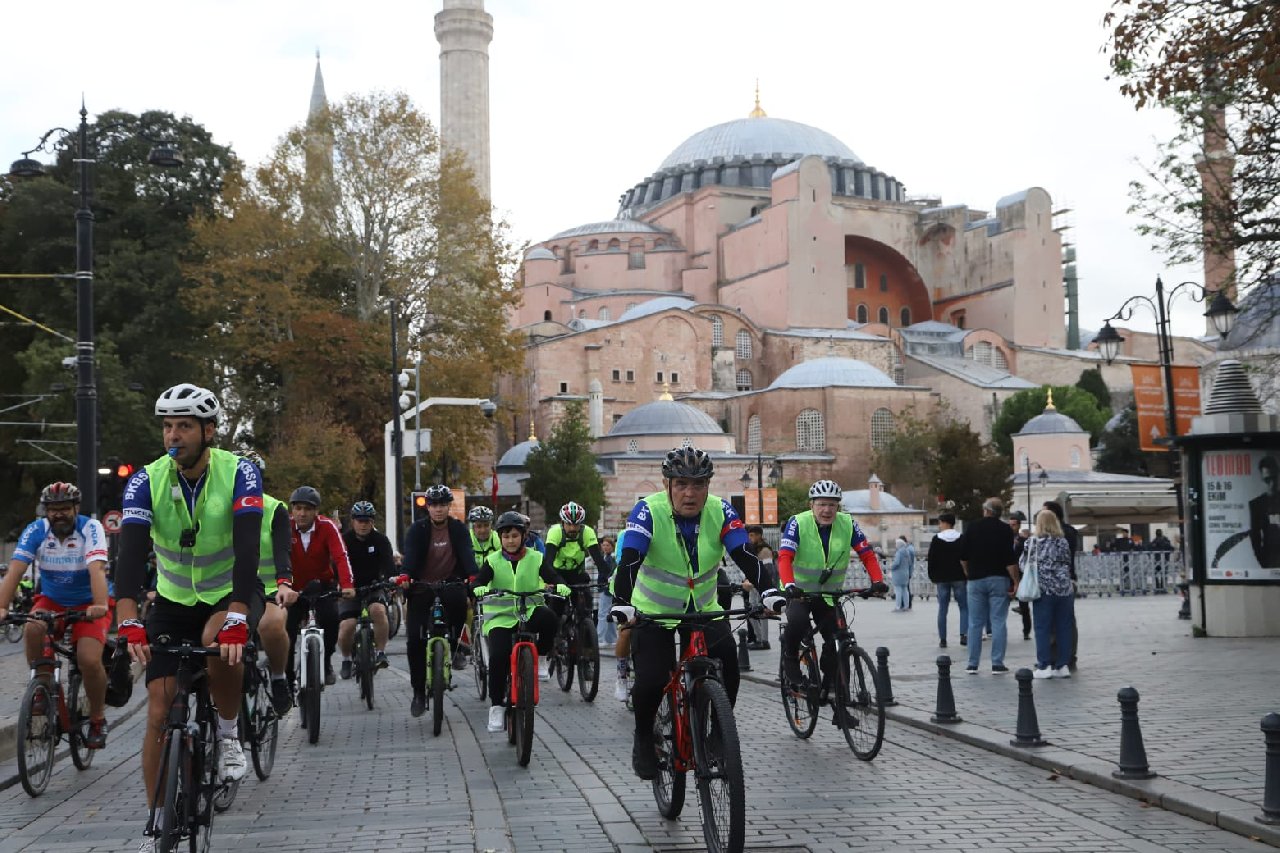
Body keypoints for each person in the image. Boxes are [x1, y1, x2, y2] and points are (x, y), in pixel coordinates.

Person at [113, 384, 264, 852]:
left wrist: (239, 611)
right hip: (175, 600)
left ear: (208, 431)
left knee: (221, 640)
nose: (172, 435)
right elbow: (131, 553)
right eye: (167, 425)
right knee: (159, 707)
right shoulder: (146, 480)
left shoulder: (241, 472)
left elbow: (245, 549)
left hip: (230, 592)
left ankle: (229, 732)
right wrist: (128, 616)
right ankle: (157, 820)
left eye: (183, 425)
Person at [610, 446, 766, 780]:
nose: (689, 493)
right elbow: (630, 559)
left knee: (728, 662)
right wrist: (622, 601)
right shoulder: (647, 511)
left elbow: (744, 554)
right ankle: (643, 739)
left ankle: (718, 733)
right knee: (651, 680)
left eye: (698, 485)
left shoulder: (720, 510)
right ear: (667, 484)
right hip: (654, 612)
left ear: (709, 486)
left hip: (704, 609)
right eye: (681, 484)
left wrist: (770, 591)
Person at [0, 482, 112, 748]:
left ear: (76, 508)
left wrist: (99, 604)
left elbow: (97, 570)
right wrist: (2, 607)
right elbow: (15, 571)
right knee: (33, 627)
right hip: (52, 599)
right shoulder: (36, 530)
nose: (58, 514)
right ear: (45, 511)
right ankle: (42, 684)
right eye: (52, 509)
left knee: (87, 659)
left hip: (88, 602)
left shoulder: (90, 528)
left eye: (64, 508)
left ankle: (97, 718)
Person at [772, 479, 887, 691]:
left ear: (838, 507)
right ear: (811, 505)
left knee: (839, 639)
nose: (827, 510)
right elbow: (785, 557)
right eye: (821, 504)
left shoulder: (847, 523)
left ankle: (837, 700)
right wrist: (789, 585)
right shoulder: (798, 522)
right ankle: (789, 655)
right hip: (799, 592)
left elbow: (867, 554)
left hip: (828, 594)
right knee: (797, 622)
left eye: (832, 505)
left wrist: (877, 581)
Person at [472, 511, 568, 732]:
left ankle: (541, 658)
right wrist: (478, 587)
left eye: (515, 536)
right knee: (498, 657)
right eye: (506, 537)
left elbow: (553, 576)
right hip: (500, 619)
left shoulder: (536, 557)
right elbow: (479, 580)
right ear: (500, 539)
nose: (510, 540)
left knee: (550, 619)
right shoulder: (492, 561)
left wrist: (560, 585)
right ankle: (496, 707)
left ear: (523, 536)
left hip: (529, 611)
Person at [398, 484, 476, 718]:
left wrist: (473, 577)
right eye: (434, 505)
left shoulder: (458, 529)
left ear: (448, 506)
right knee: (415, 640)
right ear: (428, 508)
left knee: (460, 604)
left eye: (443, 505)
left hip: (451, 583)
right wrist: (405, 576)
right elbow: (410, 557)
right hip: (422, 586)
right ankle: (419, 693)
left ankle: (455, 648)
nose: (439, 509)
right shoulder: (417, 530)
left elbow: (467, 554)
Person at [239, 451, 297, 715]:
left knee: (271, 624)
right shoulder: (213, 507)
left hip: (270, 586)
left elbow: (282, 549)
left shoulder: (274, 508)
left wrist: (284, 582)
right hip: (228, 585)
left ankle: (278, 677)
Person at [286, 486, 354, 687]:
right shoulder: (285, 527)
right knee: (287, 630)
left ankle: (325, 662)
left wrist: (347, 585)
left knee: (332, 620)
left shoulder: (327, 526)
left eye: (308, 509)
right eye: (298, 508)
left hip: (322, 585)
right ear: (292, 510)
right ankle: (287, 676)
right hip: (293, 588)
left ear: (316, 511)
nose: (302, 513)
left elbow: (341, 556)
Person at [337, 501, 395, 679]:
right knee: (347, 626)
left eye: (367, 521)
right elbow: (336, 564)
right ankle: (346, 659)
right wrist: (338, 584)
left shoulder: (380, 540)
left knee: (378, 611)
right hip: (350, 589)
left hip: (374, 586)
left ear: (372, 522)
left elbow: (389, 565)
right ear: (353, 521)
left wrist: (391, 580)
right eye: (359, 520)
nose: (363, 524)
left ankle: (380, 652)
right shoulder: (343, 540)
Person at [960, 497, 1018, 675]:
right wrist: (1015, 581)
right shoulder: (1005, 530)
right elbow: (1010, 559)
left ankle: (972, 663)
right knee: (998, 620)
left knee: (975, 623)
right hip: (999, 578)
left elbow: (963, 556)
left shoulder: (973, 527)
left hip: (976, 579)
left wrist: (969, 573)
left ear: (986, 510)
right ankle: (997, 663)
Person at [1021, 509, 1076, 678]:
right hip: (1064, 589)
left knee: (1042, 627)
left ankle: (1044, 665)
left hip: (1043, 589)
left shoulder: (1032, 542)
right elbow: (1067, 562)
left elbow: (1024, 564)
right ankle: (1062, 665)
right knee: (1064, 627)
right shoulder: (1063, 542)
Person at [543, 501, 608, 624]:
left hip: (577, 573)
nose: (573, 528)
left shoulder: (587, 532)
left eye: (576, 525)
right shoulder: (555, 532)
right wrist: (552, 581)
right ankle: (557, 633)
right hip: (558, 574)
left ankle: (584, 625)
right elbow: (548, 561)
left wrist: (607, 577)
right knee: (556, 608)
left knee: (586, 604)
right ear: (562, 522)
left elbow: (598, 559)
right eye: (569, 524)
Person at [1042, 500, 1080, 670]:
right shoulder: (1070, 532)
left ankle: (1055, 656)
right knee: (1067, 620)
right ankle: (1069, 655)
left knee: (1053, 621)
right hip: (1068, 580)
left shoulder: (1055, 536)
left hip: (1053, 582)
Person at [926, 512, 967, 648]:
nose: (939, 525)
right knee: (963, 607)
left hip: (942, 578)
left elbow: (931, 559)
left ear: (945, 523)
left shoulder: (936, 539)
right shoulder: (961, 538)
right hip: (959, 577)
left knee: (943, 608)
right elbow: (966, 557)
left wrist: (932, 576)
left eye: (940, 522)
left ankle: (943, 639)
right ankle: (964, 635)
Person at [743, 525, 773, 650]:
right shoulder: (754, 549)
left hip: (761, 586)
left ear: (759, 535)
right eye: (749, 535)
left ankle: (764, 640)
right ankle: (760, 638)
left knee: (763, 613)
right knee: (751, 612)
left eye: (752, 535)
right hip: (753, 585)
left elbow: (769, 570)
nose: (750, 538)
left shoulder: (765, 550)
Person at [1008, 511, 1032, 641]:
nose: (1011, 527)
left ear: (1018, 525)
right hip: (1007, 573)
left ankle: (1026, 631)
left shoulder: (1023, 540)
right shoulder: (1004, 539)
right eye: (1010, 524)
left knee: (1024, 604)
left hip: (1020, 573)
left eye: (1014, 525)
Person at [594, 535, 618, 647]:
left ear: (612, 546)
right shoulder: (606, 557)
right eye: (603, 545)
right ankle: (611, 638)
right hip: (607, 588)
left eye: (607, 545)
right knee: (610, 613)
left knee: (603, 614)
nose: (605, 547)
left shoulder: (610, 558)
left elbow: (609, 573)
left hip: (606, 588)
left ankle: (600, 639)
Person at [889, 535, 915, 611]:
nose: (895, 546)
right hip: (906, 574)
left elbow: (896, 563)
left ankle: (897, 606)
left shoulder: (899, 553)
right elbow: (910, 563)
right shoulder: (907, 552)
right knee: (905, 590)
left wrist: (891, 566)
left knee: (898, 591)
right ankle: (906, 606)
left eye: (896, 544)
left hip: (898, 575)